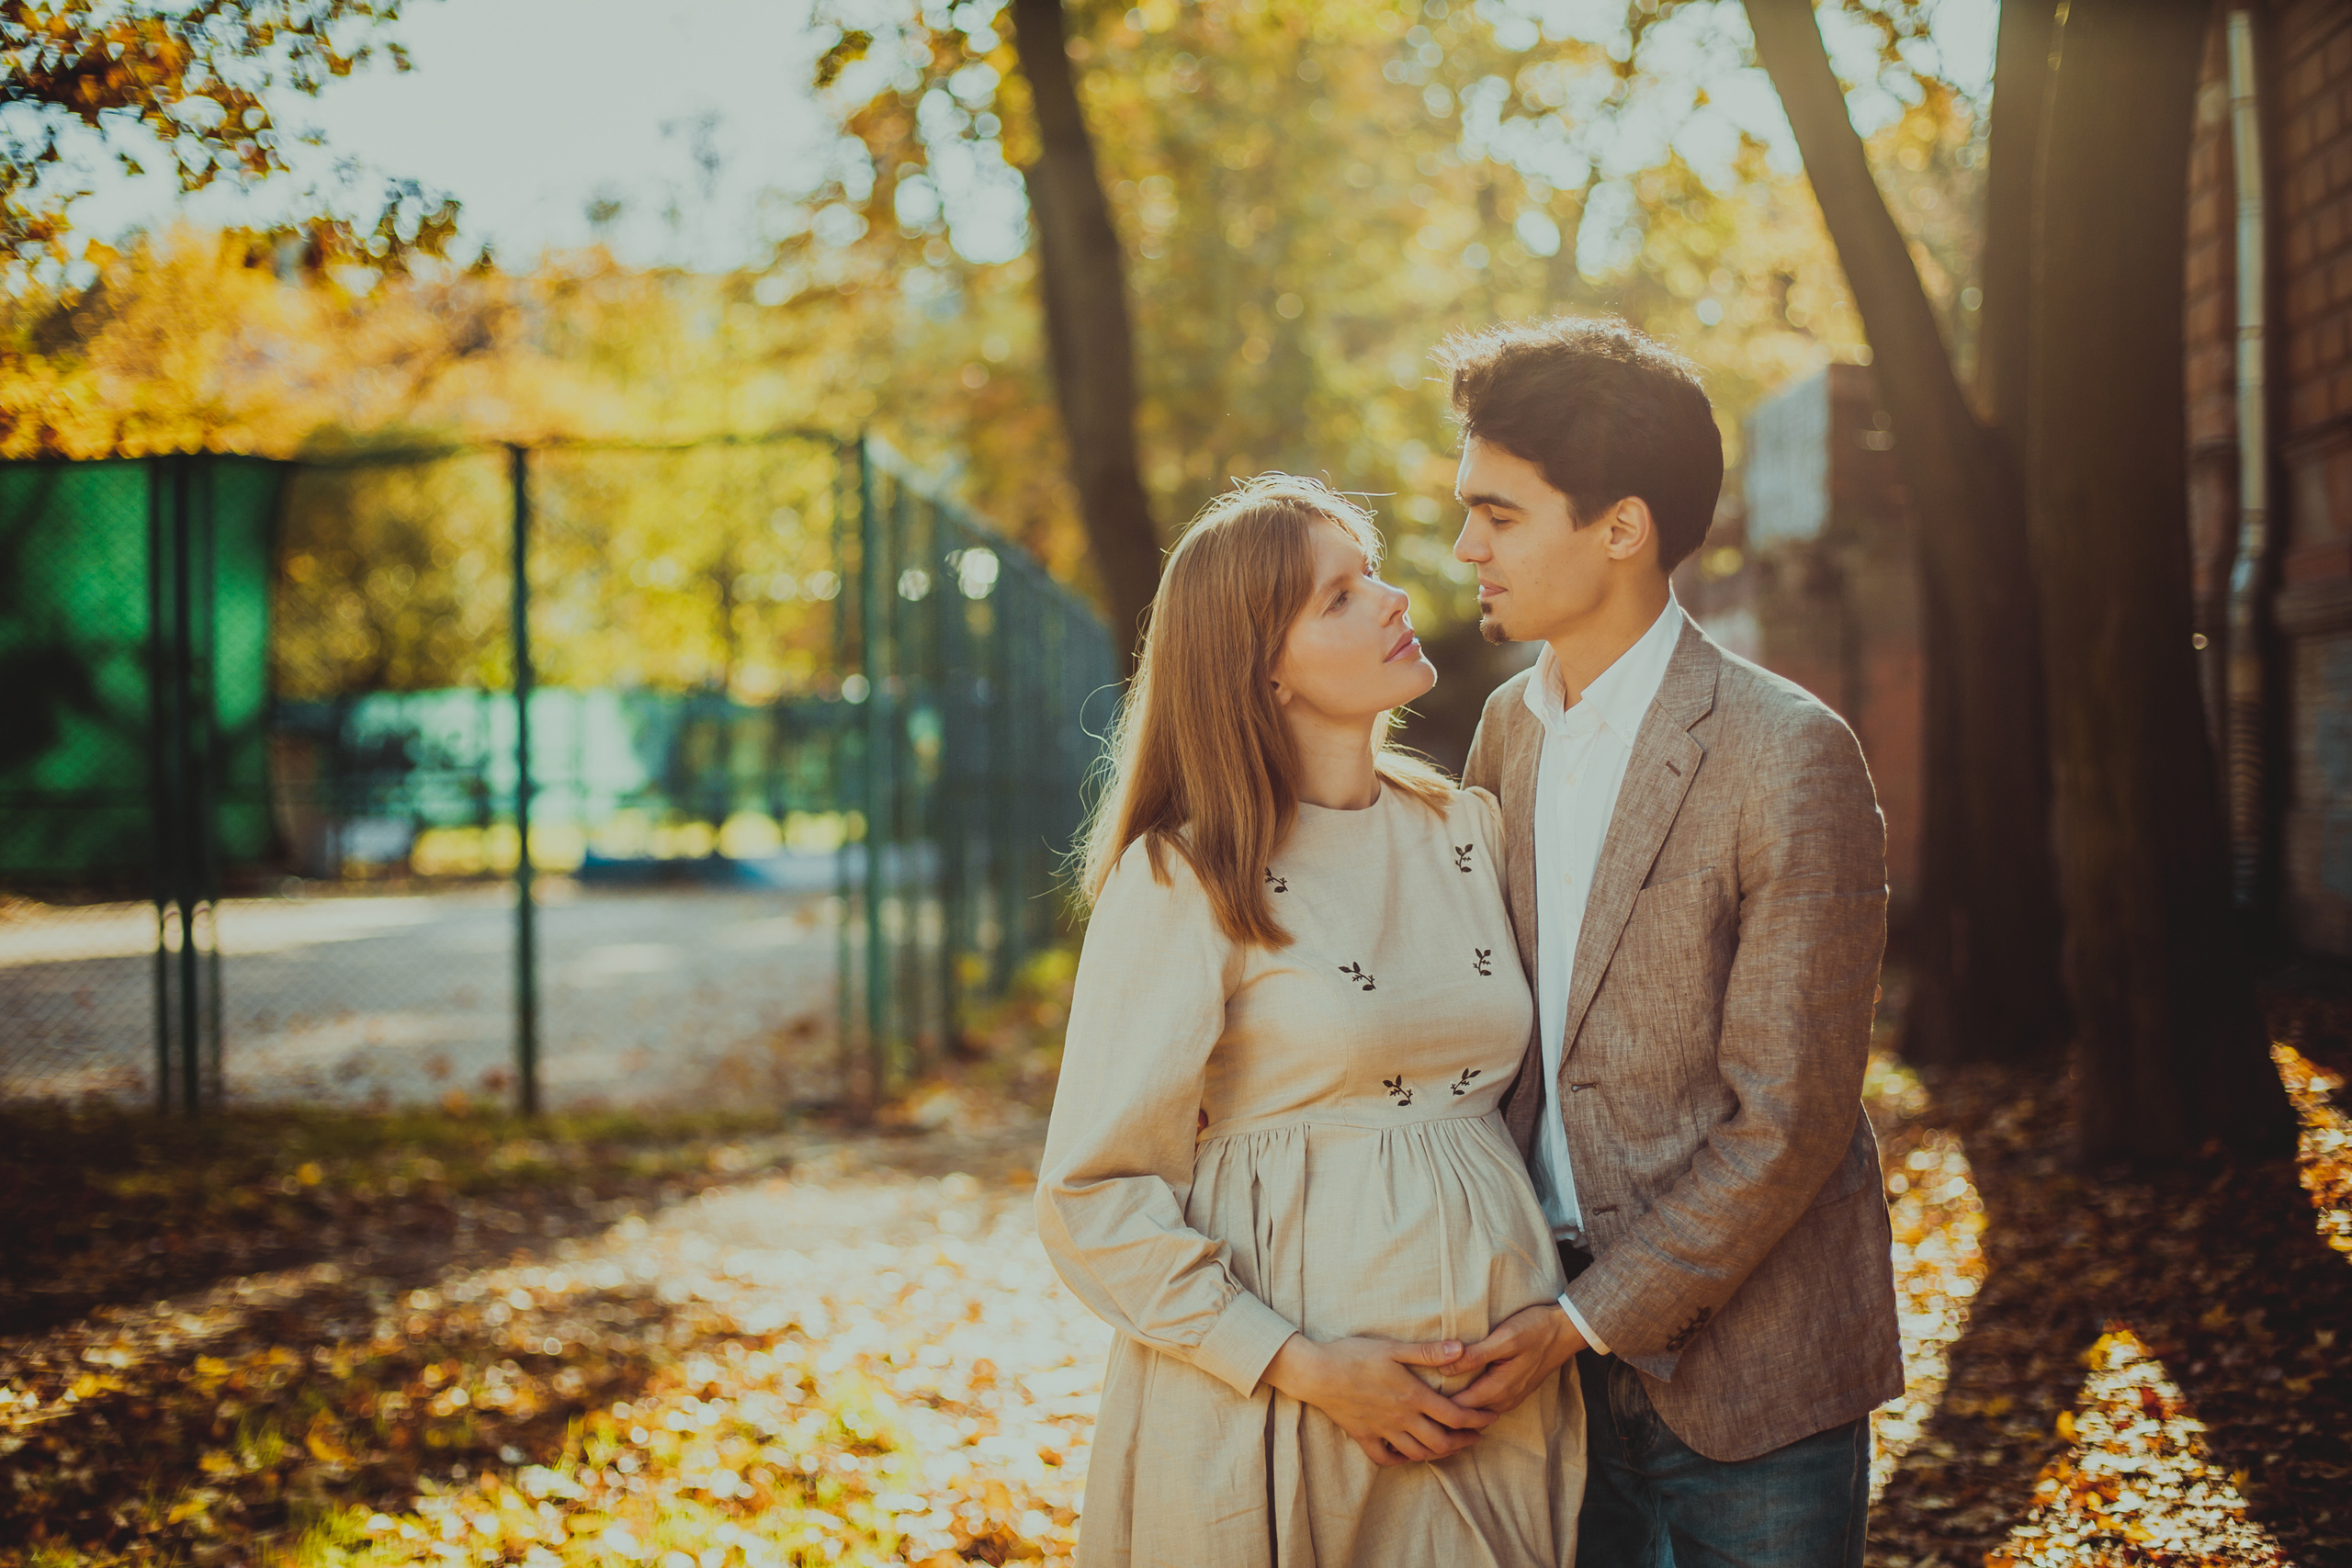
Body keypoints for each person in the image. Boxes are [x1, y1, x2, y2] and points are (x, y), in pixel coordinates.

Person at [1036, 474, 1587, 1567]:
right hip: (1283, 1409)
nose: (1391, 599)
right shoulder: (1187, 875)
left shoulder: (1467, 826)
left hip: (1497, 1398)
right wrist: (1301, 1365)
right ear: (1262, 668)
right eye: (1338, 597)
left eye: (1370, 571)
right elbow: (1091, 1196)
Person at [1431, 317, 1902, 1567]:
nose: (1464, 544)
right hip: (1541, 1356)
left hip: (1759, 1371)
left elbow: (1790, 1117)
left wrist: (1587, 1318)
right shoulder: (1502, 733)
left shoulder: (1789, 754)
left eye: (1499, 512)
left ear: (1621, 526)